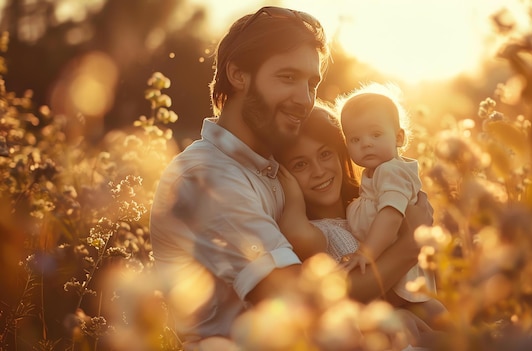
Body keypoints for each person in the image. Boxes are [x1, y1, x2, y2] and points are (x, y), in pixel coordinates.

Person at [149, 5, 435, 349]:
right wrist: (410, 247)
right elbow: (304, 302)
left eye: (311, 83)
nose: (304, 99)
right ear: (239, 75)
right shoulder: (206, 177)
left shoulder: (271, 164)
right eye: (287, 77)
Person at [275, 102, 447, 329]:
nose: (318, 171)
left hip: (417, 303)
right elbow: (296, 231)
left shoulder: (366, 207)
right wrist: (290, 192)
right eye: (300, 165)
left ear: (341, 153)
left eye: (325, 154)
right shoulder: (317, 232)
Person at [336, 83, 445, 314]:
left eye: (375, 134)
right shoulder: (375, 173)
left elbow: (391, 215)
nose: (365, 143)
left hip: (403, 278)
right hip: (395, 276)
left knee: (435, 321)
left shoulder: (391, 171)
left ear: (399, 137)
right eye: (355, 139)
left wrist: (366, 253)